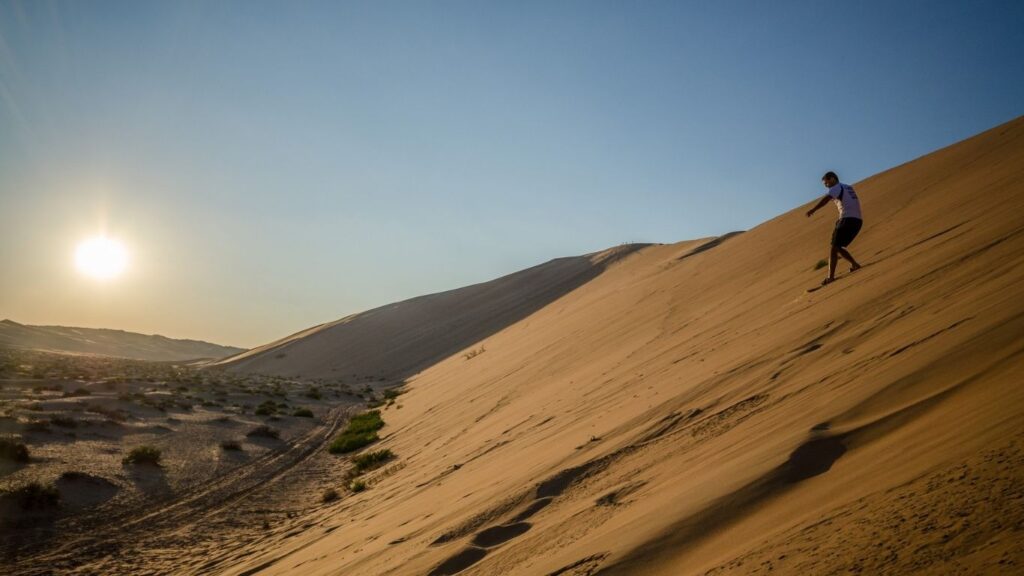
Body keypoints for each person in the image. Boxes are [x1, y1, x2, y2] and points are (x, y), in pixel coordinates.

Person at [806, 171, 862, 285]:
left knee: (834, 248)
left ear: (832, 179)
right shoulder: (847, 187)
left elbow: (826, 199)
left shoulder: (836, 187)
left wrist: (813, 209)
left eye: (826, 183)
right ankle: (854, 264)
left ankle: (830, 277)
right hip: (857, 220)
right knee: (837, 247)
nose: (826, 186)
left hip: (847, 219)